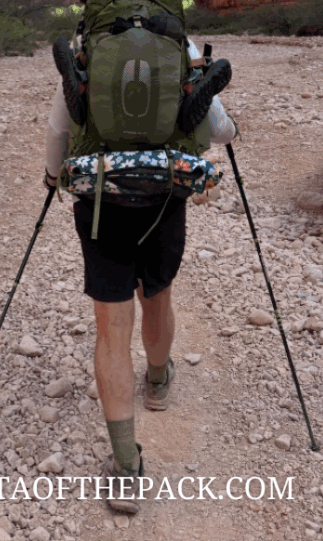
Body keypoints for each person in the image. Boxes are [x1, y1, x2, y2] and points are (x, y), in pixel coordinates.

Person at [45, 35, 236, 515]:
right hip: (164, 195)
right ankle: (155, 382)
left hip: (99, 198)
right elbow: (219, 130)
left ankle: (126, 467)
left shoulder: (87, 45)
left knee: (111, 327)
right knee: (158, 296)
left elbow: (58, 128)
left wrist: (52, 177)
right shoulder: (179, 43)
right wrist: (230, 125)